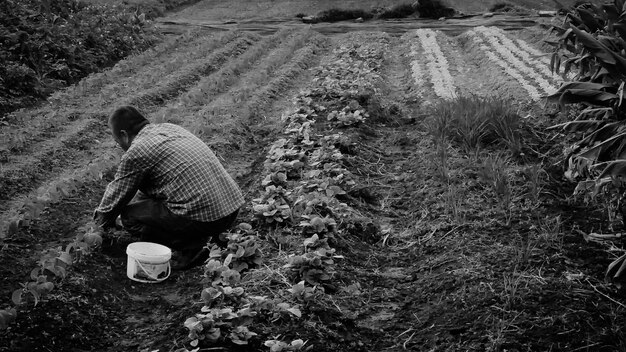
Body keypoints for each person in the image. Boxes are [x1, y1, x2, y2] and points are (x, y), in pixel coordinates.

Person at [93, 106, 244, 270]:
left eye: (117, 142)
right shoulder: (170, 128)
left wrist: (98, 225)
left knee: (129, 216)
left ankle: (190, 246)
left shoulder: (137, 151)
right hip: (231, 208)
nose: (119, 146)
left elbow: (116, 196)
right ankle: (210, 236)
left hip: (207, 219)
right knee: (146, 198)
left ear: (124, 135)